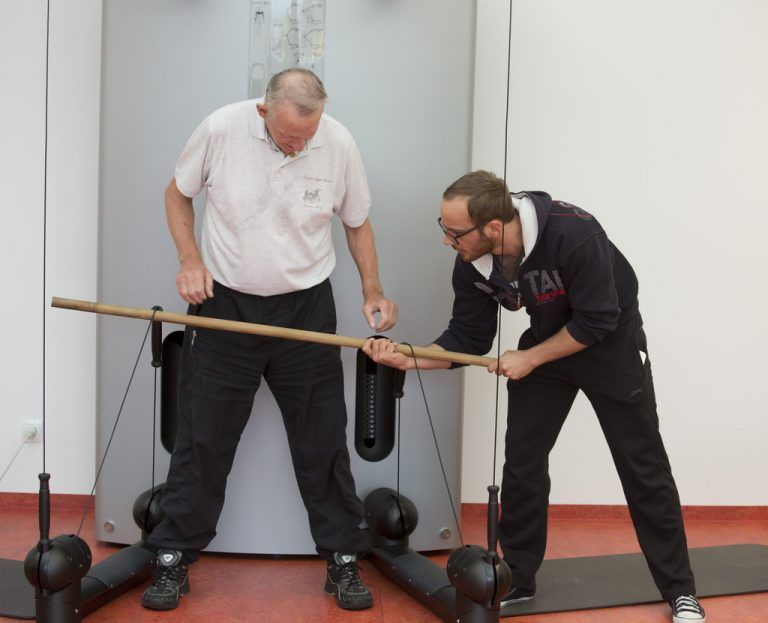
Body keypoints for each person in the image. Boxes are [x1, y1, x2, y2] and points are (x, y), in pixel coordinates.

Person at [362, 170, 705, 623]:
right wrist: (408, 359)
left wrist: (530, 359)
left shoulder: (574, 232)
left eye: (454, 232)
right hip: (549, 342)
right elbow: (468, 337)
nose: (447, 241)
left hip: (611, 344)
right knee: (522, 460)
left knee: (642, 465)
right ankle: (518, 578)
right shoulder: (473, 262)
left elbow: (598, 319)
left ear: (494, 228)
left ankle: (681, 591)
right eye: (442, 227)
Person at [141, 68, 397, 612]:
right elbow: (176, 195)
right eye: (289, 137)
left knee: (322, 438)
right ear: (264, 111)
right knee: (203, 437)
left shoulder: (338, 141)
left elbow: (357, 222)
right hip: (225, 304)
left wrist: (373, 287)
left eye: (308, 135)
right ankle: (171, 558)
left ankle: (344, 559)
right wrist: (190, 259)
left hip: (305, 308)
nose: (300, 145)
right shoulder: (220, 129)